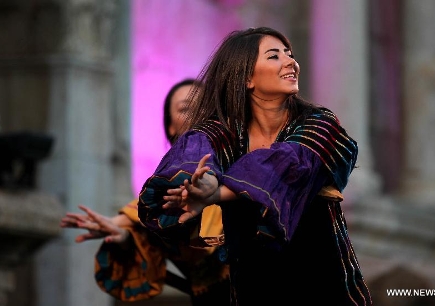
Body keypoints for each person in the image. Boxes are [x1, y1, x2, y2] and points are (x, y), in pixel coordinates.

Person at [137, 27, 373, 305]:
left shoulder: (320, 123)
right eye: (274, 56)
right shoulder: (221, 134)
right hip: (253, 291)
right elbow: (186, 160)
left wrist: (217, 192)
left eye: (290, 54)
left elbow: (285, 164)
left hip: (324, 288)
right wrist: (196, 186)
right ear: (247, 76)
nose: (290, 62)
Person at [60, 79, 231, 306]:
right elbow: (141, 222)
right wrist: (122, 236)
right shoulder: (162, 197)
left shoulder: (244, 165)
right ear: (171, 126)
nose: (197, 114)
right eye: (185, 108)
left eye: (205, 107)